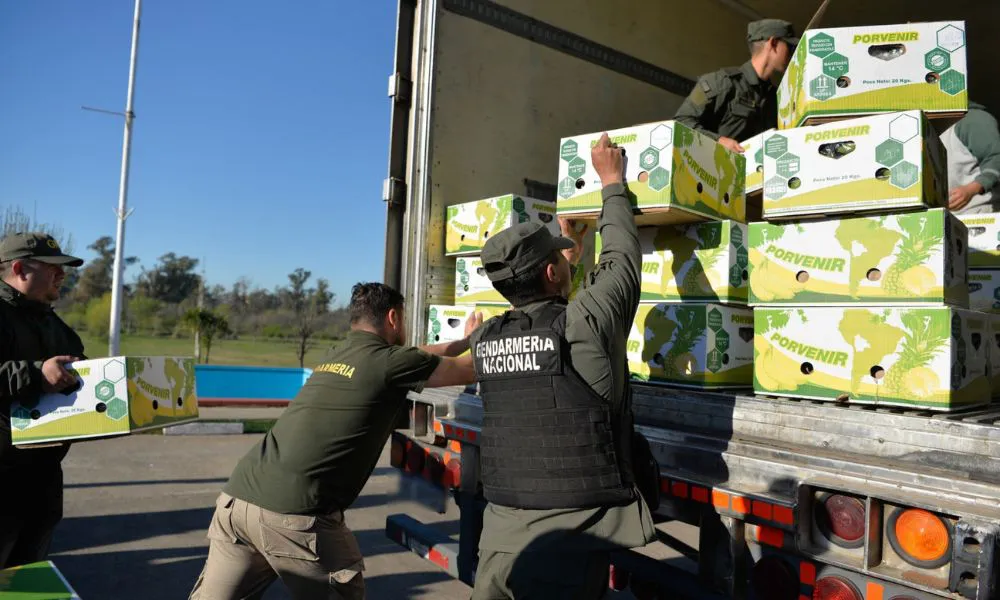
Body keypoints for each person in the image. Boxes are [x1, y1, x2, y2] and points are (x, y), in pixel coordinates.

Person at [189, 281, 481, 600]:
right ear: (394, 318)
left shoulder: (336, 353)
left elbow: (420, 354)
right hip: (295, 516)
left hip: (237, 501)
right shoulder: (391, 364)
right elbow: (470, 370)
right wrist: (485, 338)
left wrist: (461, 340)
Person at [468, 133, 659, 600]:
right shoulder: (586, 324)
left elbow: (549, 310)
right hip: (565, 545)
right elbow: (621, 262)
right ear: (553, 272)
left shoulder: (486, 338)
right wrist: (612, 182)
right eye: (559, 257)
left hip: (499, 542)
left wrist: (568, 242)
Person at [0, 232, 86, 567]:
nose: (62, 275)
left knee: (28, 576)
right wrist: (37, 374)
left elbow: (82, 375)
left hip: (43, 475)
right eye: (53, 268)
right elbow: (40, 375)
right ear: (20, 269)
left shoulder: (53, 323)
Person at [674, 18, 799, 153]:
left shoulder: (777, 98)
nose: (792, 53)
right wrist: (718, 141)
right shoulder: (720, 81)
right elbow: (681, 122)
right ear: (773, 43)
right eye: (789, 46)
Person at [939, 101, 1000, 213]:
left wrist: (971, 189)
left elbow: (996, 158)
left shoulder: (974, 120)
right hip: (949, 220)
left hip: (980, 216)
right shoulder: (928, 130)